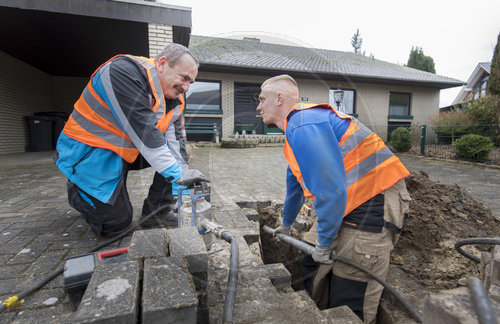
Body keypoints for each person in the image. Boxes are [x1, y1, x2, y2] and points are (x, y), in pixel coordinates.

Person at [257, 74, 411, 323]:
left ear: (280, 99)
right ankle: (318, 315)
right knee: (312, 261)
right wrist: (286, 224)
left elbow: (331, 191)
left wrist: (326, 241)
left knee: (350, 287)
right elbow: (295, 185)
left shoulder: (303, 124)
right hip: (350, 200)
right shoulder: (297, 129)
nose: (258, 106)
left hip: (376, 200)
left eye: (262, 99)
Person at [55, 43, 206, 237]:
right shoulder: (122, 72)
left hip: (126, 150)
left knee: (173, 162)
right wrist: (179, 176)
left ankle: (156, 213)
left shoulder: (176, 98)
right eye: (184, 78)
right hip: (88, 152)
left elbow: (176, 145)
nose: (185, 87)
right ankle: (78, 190)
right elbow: (145, 134)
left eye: (190, 83)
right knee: (116, 226)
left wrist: (182, 187)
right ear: (162, 64)